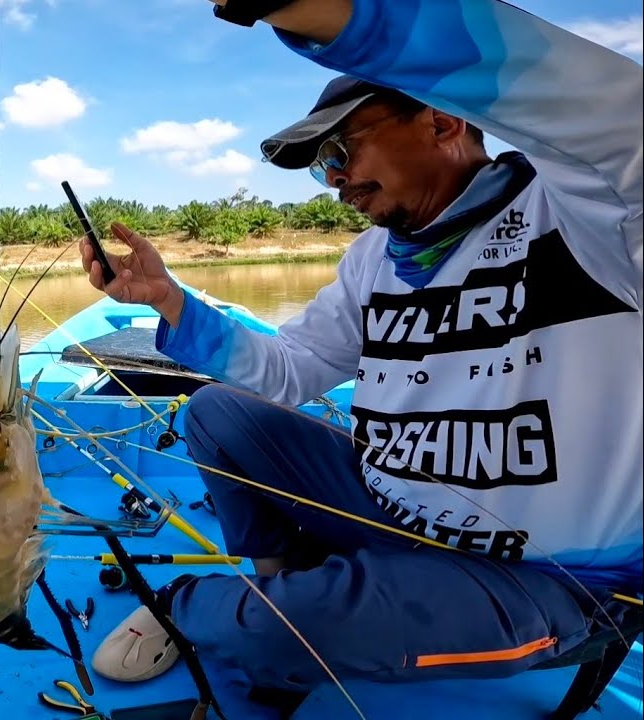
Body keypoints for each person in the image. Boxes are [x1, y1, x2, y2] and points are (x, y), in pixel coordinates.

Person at [84, 0, 643, 705]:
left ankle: (187, 604)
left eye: (341, 151)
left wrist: (348, 18)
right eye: (323, 166)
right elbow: (289, 370)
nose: (334, 179)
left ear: (442, 119)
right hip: (387, 510)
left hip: (545, 578)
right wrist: (170, 302)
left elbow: (614, 117)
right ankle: (280, 577)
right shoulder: (374, 258)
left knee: (286, 634)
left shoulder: (600, 220)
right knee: (217, 412)